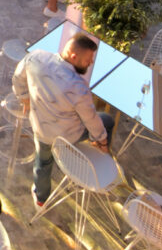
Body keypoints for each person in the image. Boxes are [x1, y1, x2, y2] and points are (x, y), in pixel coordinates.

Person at [12, 33, 110, 207]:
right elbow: (91, 119)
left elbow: (18, 77)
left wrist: (25, 98)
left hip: (41, 129)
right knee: (106, 120)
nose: (91, 63)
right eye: (89, 59)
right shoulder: (78, 87)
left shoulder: (35, 57)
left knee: (42, 162)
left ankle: (41, 198)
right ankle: (93, 160)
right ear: (74, 57)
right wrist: (101, 140)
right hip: (67, 136)